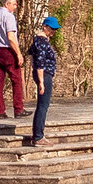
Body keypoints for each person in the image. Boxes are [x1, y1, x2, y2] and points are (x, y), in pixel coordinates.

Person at [0, 0, 27, 119]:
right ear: (7, 4)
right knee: (16, 80)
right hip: (7, 51)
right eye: (14, 4)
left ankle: (1, 111)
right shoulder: (9, 17)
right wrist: (18, 53)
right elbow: (11, 37)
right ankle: (18, 109)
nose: (15, 7)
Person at [28, 16, 61, 147]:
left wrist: (34, 69)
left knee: (42, 105)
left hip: (43, 73)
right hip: (44, 74)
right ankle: (38, 136)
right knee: (43, 105)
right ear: (45, 27)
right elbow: (40, 61)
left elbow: (31, 55)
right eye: (52, 29)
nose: (53, 32)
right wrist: (41, 80)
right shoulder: (41, 41)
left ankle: (38, 135)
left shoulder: (38, 40)